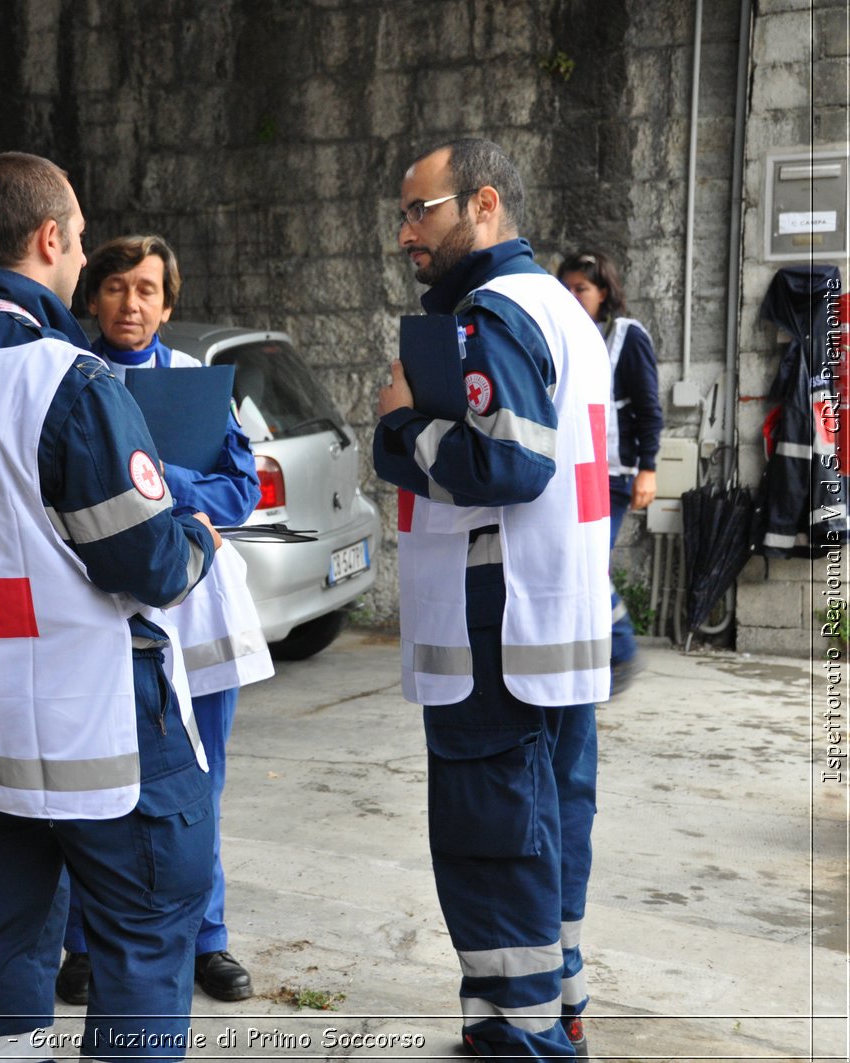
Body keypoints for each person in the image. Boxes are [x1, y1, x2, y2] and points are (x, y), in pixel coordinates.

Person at [0, 151, 222, 1061]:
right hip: (102, 724)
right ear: (50, 238)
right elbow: (146, 565)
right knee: (144, 936)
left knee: (1, 934)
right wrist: (200, 542)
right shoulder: (73, 381)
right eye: (82, 240)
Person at [373, 138, 611, 1060]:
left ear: (481, 205)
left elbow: (508, 465)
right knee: (549, 829)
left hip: (496, 628)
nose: (405, 234)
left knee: (493, 839)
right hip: (555, 620)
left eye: (418, 211)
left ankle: (524, 1041)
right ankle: (554, 1011)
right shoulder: (560, 308)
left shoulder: (492, 314)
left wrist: (400, 424)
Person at [54, 234, 270, 1007]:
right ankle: (83, 941)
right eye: (115, 286)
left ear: (168, 303)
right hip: (105, 608)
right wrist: (174, 485)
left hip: (198, 603)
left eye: (147, 289)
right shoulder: (66, 377)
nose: (131, 303)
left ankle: (206, 938)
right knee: (99, 780)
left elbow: (240, 489)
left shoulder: (197, 383)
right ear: (92, 296)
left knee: (200, 781)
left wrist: (152, 476)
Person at [557, 250, 663, 688]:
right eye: (566, 288)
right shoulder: (566, 336)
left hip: (613, 475)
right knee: (574, 563)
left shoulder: (626, 336)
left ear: (604, 292)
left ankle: (619, 650)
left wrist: (648, 469)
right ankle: (594, 654)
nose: (572, 296)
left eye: (581, 288)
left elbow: (648, 409)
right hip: (575, 474)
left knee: (588, 565)